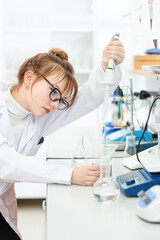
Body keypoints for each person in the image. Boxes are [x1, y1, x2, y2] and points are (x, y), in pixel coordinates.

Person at [0, 37, 125, 239]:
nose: (55, 104)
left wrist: (106, 67)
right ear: (29, 78)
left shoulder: (38, 113)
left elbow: (87, 99)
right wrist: (70, 175)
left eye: (60, 99)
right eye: (53, 92)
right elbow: (6, 163)